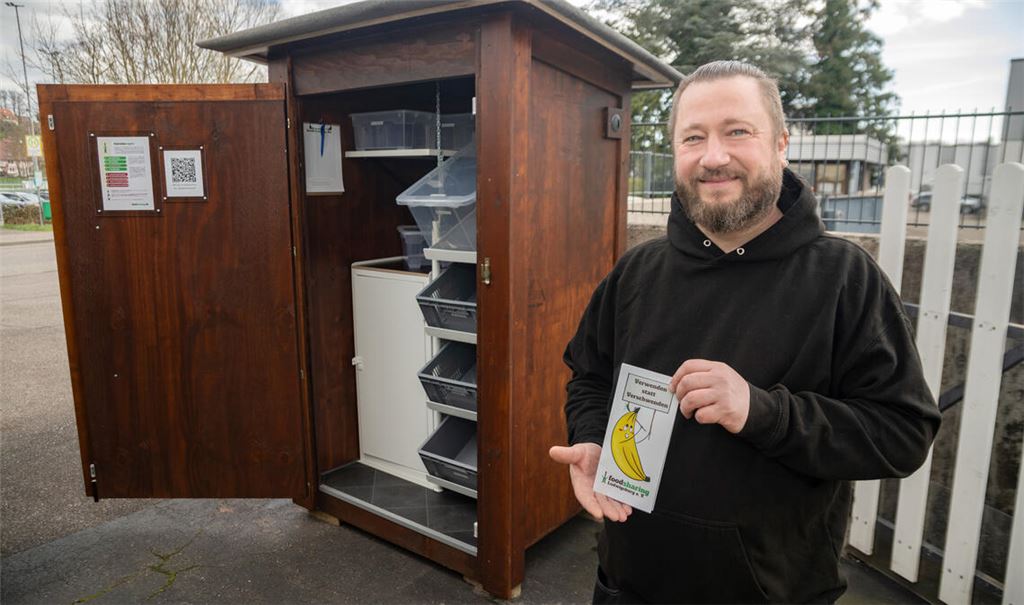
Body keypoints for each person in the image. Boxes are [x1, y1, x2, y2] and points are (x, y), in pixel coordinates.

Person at [548, 61, 941, 604]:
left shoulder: (843, 279)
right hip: (626, 580)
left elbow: (903, 432)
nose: (713, 157)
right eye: (693, 137)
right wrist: (591, 437)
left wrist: (764, 412)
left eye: (737, 131)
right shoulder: (638, 272)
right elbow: (590, 375)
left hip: (771, 591)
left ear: (780, 144)